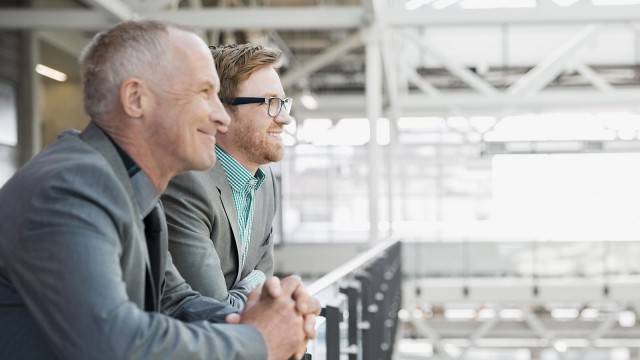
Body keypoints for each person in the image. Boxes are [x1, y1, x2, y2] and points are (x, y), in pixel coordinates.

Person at [0, 20, 319, 360]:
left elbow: (175, 303)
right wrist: (260, 341)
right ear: (136, 99)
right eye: (203, 93)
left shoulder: (131, 189)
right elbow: (113, 343)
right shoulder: (71, 187)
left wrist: (276, 317)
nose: (220, 117)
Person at [162, 44, 291, 309]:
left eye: (284, 102)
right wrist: (250, 286)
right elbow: (211, 309)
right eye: (271, 103)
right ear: (220, 112)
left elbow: (266, 281)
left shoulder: (265, 182)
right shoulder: (186, 183)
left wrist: (243, 291)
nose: (285, 118)